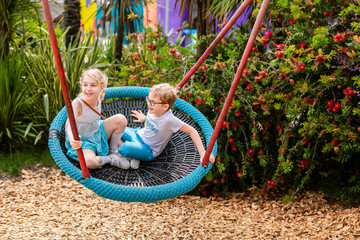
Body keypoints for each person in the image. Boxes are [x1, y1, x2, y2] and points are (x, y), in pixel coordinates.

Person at [117, 83, 215, 169]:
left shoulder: (169, 120)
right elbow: (155, 122)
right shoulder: (153, 108)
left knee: (125, 148)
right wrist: (144, 118)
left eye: (152, 102)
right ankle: (133, 156)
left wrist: (202, 152)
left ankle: (125, 155)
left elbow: (192, 131)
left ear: (165, 107)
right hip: (137, 134)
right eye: (148, 100)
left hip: (148, 149)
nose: (148, 104)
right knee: (116, 126)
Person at [65, 68, 131, 170]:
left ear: (101, 88)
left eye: (93, 85)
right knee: (90, 162)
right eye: (85, 85)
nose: (88, 89)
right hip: (84, 139)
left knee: (121, 119)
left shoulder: (99, 97)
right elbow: (70, 124)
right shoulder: (77, 104)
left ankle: (113, 150)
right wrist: (72, 139)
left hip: (97, 130)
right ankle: (109, 158)